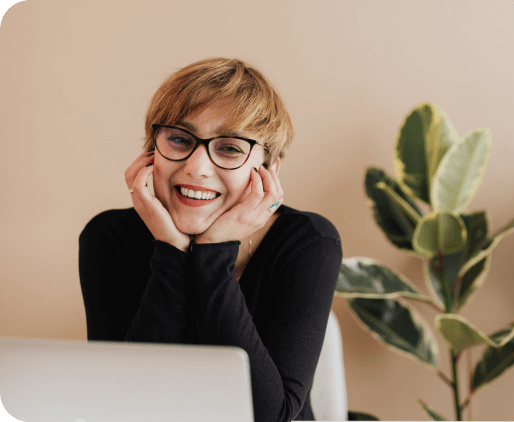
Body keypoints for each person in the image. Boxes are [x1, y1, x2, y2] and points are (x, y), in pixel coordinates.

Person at [79, 57, 342, 422]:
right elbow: (119, 401)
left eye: (230, 148)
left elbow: (271, 415)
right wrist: (172, 250)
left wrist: (214, 251)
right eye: (179, 139)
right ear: (151, 151)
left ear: (268, 170)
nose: (197, 167)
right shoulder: (109, 236)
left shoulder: (308, 242)